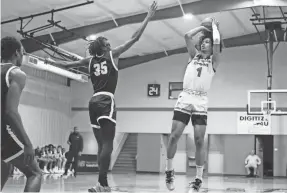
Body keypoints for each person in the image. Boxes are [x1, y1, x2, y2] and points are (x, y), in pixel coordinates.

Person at [46, 2, 157, 191]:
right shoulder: (113, 55)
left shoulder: (89, 61)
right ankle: (101, 183)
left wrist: (51, 61)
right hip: (106, 100)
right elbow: (135, 38)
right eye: (107, 43)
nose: (110, 44)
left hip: (93, 102)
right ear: (104, 48)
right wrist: (148, 17)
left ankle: (102, 184)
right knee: (108, 145)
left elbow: (68, 65)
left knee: (101, 145)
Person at [165, 18, 222, 192]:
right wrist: (203, 27)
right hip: (185, 96)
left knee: (199, 141)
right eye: (203, 42)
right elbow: (187, 35)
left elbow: (218, 41)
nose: (204, 44)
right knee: (174, 136)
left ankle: (198, 179)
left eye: (207, 42)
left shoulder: (214, 61)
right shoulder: (193, 55)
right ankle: (169, 170)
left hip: (201, 100)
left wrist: (213, 28)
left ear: (212, 47)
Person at [1, 36, 42, 192]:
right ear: (17, 53)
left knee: (5, 165)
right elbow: (10, 113)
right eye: (23, 53)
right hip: (3, 132)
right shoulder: (16, 73)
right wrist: (27, 144)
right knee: (35, 173)